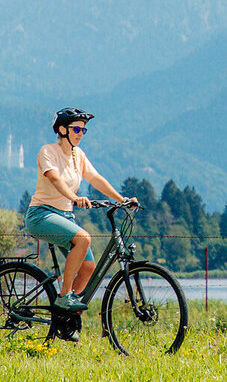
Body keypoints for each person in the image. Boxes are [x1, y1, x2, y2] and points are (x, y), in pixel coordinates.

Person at [26, 107, 135, 320]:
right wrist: (74, 198)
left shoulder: (78, 155)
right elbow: (55, 179)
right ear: (62, 129)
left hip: (65, 217)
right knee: (84, 238)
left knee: (88, 268)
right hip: (41, 214)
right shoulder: (48, 151)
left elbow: (95, 178)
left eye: (83, 131)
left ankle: (63, 317)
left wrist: (122, 199)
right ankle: (64, 295)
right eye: (76, 129)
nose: (80, 134)